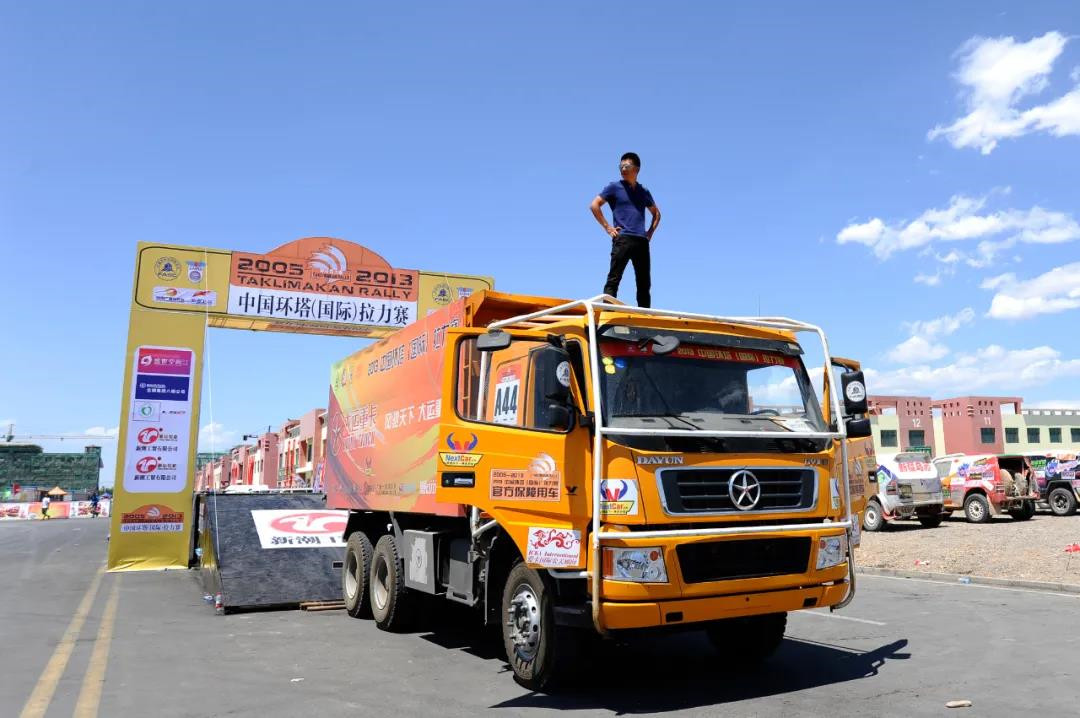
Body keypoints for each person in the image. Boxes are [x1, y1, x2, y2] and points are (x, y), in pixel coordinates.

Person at [590, 152, 661, 307]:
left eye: (626, 166)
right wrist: (608, 227)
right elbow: (594, 205)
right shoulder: (614, 187)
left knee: (644, 283)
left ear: (636, 169)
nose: (623, 169)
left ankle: (644, 318)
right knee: (614, 278)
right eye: (620, 166)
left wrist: (649, 233)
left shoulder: (643, 191)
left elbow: (656, 214)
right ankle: (607, 315)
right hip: (623, 239)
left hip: (641, 241)